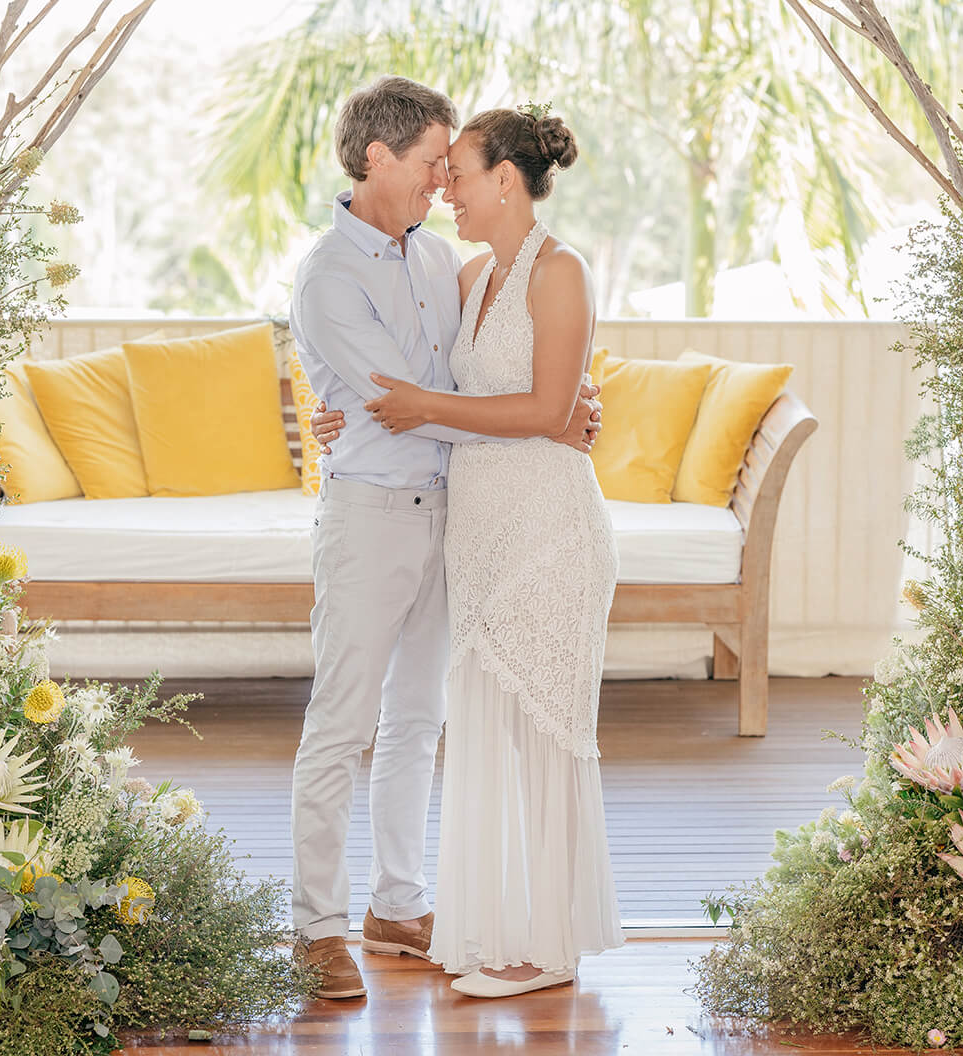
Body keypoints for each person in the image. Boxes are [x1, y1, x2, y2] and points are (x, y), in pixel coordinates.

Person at [286, 76, 602, 1001]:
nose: (440, 181)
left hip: (457, 516)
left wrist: (565, 403)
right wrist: (548, 417)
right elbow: (400, 401)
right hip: (371, 517)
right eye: (432, 163)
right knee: (342, 723)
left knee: (418, 720)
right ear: (377, 158)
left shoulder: (440, 260)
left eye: (451, 167)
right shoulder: (330, 276)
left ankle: (396, 902)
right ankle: (316, 927)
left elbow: (483, 374)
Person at [361, 104, 624, 998]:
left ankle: (551, 949)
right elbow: (418, 370)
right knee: (487, 737)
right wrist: (345, 413)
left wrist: (428, 409)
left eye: (460, 175)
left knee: (546, 737)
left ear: (505, 180)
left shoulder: (562, 271)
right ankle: (495, 930)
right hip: (480, 539)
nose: (447, 190)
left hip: (550, 532)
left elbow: (550, 409)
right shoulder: (471, 274)